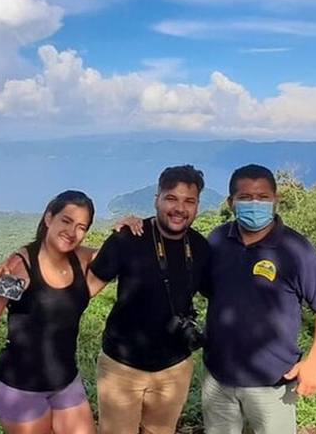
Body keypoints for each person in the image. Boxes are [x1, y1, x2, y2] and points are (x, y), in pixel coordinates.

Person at [201, 164, 316, 434]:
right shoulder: (217, 240)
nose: (255, 204)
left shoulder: (296, 249)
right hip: (217, 377)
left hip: (273, 381)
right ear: (231, 202)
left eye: (263, 197)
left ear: (275, 200)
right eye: (245, 197)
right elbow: (209, 289)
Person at [85, 165, 211, 434]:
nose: (180, 208)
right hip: (121, 365)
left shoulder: (200, 247)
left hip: (174, 367)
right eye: (171, 198)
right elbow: (85, 290)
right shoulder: (129, 238)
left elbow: (224, 294)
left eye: (189, 201)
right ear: (157, 199)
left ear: (198, 205)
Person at [0, 190, 98, 434]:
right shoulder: (20, 266)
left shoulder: (83, 258)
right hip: (20, 386)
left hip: (65, 382)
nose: (71, 232)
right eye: (65, 221)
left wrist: (128, 226)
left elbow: (121, 254)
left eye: (81, 227)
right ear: (49, 218)